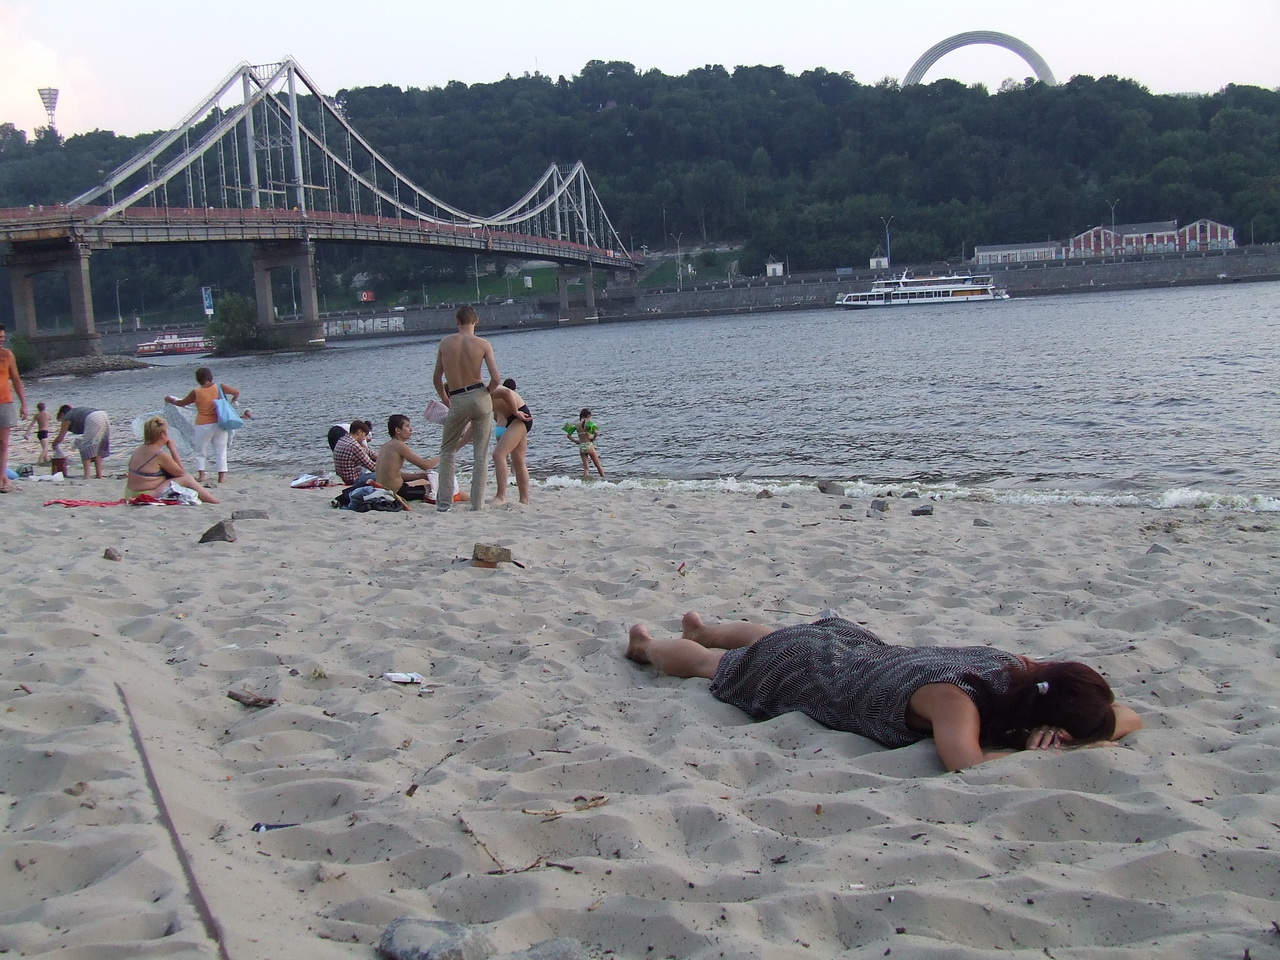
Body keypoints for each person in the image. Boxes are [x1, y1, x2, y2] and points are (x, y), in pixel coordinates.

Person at [625, 612, 1143, 773]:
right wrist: (1065, 749)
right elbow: (966, 763)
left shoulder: (1015, 668)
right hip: (819, 676)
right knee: (718, 667)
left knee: (777, 638)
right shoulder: (957, 701)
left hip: (855, 648)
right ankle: (646, 648)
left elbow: (1125, 716)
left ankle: (704, 627)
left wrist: (1086, 731)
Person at [432, 305, 499, 511]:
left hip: (458, 397)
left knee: (448, 451)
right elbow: (496, 378)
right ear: (476, 321)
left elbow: (437, 379)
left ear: (457, 321)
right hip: (480, 395)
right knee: (481, 453)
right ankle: (477, 504)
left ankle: (444, 503)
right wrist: (487, 391)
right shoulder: (483, 344)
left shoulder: (445, 343)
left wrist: (445, 399)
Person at [165, 366, 240, 484]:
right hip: (220, 423)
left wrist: (171, 400)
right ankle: (221, 478)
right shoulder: (219, 387)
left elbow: (182, 403)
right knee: (221, 451)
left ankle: (201, 476)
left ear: (198, 379)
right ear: (210, 376)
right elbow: (236, 392)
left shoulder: (196, 392)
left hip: (203, 424)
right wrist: (233, 401)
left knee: (200, 452)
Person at [124, 416, 219, 503]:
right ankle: (213, 500)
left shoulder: (138, 450)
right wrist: (173, 450)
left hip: (129, 493)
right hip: (145, 494)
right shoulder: (159, 454)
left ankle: (209, 498)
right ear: (163, 435)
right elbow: (181, 473)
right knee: (187, 479)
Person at [375, 414, 440, 503]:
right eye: (407, 426)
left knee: (424, 482)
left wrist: (420, 476)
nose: (411, 429)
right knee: (434, 488)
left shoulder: (386, 446)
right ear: (398, 430)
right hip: (397, 493)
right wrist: (444, 454)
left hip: (383, 490)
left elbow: (393, 474)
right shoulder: (399, 445)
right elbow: (426, 465)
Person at [490, 378, 532, 505]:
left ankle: (501, 496)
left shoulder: (484, 390)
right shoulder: (473, 397)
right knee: (518, 461)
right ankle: (524, 500)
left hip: (520, 416)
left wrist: (515, 412)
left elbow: (507, 392)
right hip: (512, 419)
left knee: (499, 455)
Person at [0, 323, 28, 493]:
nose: (1, 340)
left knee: (3, 442)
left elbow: (16, 380)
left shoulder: (7, 355)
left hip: (5, 402)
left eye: (3, 337)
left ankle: (3, 476)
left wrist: (23, 404)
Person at [53, 404, 111, 479]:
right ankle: (99, 475)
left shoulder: (67, 416)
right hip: (103, 415)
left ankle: (87, 476)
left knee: (85, 448)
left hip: (93, 418)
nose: (61, 422)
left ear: (62, 414)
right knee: (98, 448)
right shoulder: (76, 412)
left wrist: (54, 444)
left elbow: (60, 437)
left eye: (60, 420)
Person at [332, 419, 378, 486]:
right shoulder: (354, 446)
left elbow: (364, 451)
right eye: (364, 435)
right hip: (353, 480)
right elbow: (373, 467)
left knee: (363, 467)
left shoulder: (342, 440)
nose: (364, 438)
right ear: (359, 432)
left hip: (343, 476)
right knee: (381, 474)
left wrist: (375, 455)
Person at [569, 408, 605, 479]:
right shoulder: (589, 423)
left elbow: (568, 435)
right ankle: (604, 479)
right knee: (598, 465)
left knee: (586, 468)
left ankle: (585, 481)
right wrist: (593, 438)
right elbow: (596, 432)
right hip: (589, 445)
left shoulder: (576, 424)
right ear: (588, 416)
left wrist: (576, 441)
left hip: (581, 446)